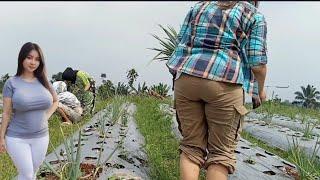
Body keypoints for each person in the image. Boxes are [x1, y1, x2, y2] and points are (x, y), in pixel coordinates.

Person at [166, 1, 267, 179]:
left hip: (187, 78)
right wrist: (261, 90)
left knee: (191, 147)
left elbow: (179, 45)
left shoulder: (199, 7)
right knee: (220, 155)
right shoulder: (253, 15)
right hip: (225, 81)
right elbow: (257, 63)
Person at [0, 42, 58, 180]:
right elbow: (6, 113)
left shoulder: (44, 81)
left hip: (42, 137)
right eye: (29, 57)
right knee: (27, 175)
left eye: (37, 59)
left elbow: (56, 101)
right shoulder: (11, 83)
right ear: (22, 59)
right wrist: (1, 137)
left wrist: (46, 116)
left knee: (32, 174)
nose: (33, 62)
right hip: (17, 138)